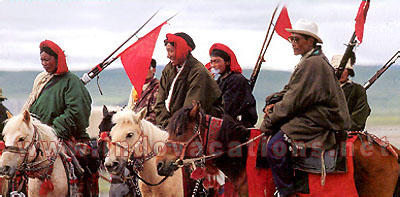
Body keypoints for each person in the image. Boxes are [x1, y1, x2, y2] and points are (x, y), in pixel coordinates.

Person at [261, 19, 351, 196]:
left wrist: (270, 119)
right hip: (312, 113)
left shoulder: (313, 63)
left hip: (318, 118)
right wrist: (274, 100)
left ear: (310, 40)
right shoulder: (310, 59)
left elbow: (295, 101)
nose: (293, 43)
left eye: (297, 39)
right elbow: (291, 91)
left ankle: (286, 192)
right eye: (291, 39)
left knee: (274, 145)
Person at [21, 40, 97, 195]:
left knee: (83, 166)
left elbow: (77, 112)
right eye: (41, 60)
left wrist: (52, 131)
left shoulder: (72, 82)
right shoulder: (42, 81)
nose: (44, 63)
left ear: (58, 59)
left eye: (47, 60)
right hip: (38, 137)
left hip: (64, 135)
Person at [155, 32, 223, 128]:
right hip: (171, 125)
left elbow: (189, 111)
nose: (168, 55)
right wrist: (166, 125)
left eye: (171, 51)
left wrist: (171, 127)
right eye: (167, 51)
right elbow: (159, 103)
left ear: (181, 50)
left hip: (194, 126)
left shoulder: (199, 73)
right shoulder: (168, 69)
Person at [209, 43, 258, 128]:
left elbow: (227, 107)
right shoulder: (219, 80)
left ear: (227, 62)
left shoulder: (236, 80)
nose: (213, 65)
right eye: (212, 62)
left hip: (238, 124)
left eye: (217, 61)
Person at [331, 53, 371, 131]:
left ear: (349, 71)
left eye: (344, 69)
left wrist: (339, 126)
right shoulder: (324, 89)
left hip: (349, 133)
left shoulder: (358, 90)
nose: (341, 72)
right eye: (337, 69)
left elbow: (359, 117)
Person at [127, 59, 159, 124]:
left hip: (147, 128)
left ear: (154, 70)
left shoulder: (158, 87)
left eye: (147, 68)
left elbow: (155, 114)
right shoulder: (135, 88)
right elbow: (130, 108)